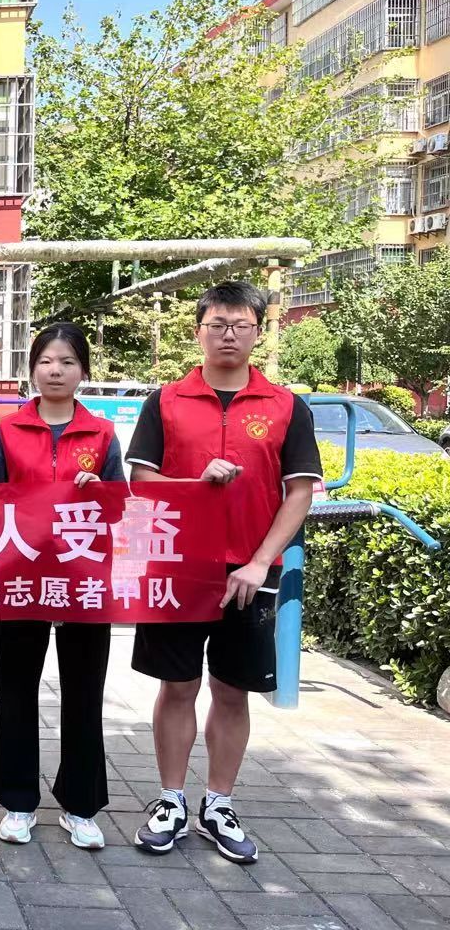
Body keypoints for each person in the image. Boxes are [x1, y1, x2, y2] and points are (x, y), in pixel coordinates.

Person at [128, 281, 320, 864]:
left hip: (250, 572)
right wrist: (196, 482)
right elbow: (142, 480)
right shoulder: (166, 401)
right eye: (217, 324)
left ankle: (219, 803)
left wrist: (260, 562)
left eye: (240, 325)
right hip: (178, 566)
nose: (228, 334)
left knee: (232, 691)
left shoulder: (287, 406)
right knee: (177, 686)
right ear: (199, 331)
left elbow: (299, 492)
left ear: (258, 332)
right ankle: (170, 800)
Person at [0, 322, 124, 851]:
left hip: (84, 581)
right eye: (45, 361)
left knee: (84, 692)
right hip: (19, 578)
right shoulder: (7, 431)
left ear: (83, 371)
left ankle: (81, 806)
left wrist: (101, 491)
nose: (55, 370)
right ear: (32, 368)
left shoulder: (102, 434)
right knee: (17, 689)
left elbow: (121, 507)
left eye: (66, 361)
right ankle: (18, 801)